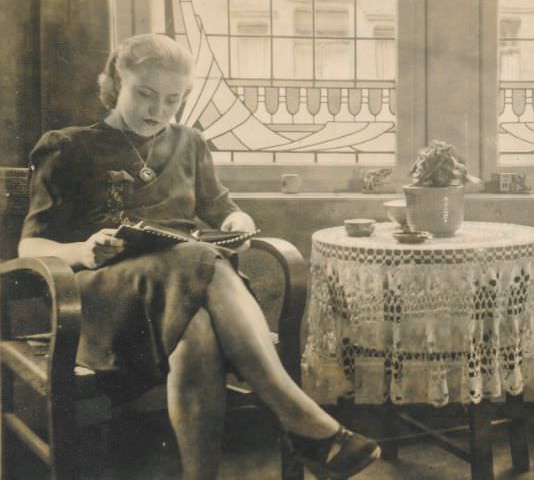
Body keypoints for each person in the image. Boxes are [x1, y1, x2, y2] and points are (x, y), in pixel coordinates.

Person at [18, 33, 380, 480]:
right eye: (145, 94)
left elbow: (223, 209)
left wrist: (238, 222)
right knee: (197, 257)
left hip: (186, 293)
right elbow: (30, 246)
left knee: (200, 328)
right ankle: (301, 419)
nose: (158, 110)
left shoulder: (189, 143)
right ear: (116, 82)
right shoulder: (68, 146)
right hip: (104, 303)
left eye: (173, 99)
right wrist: (82, 250)